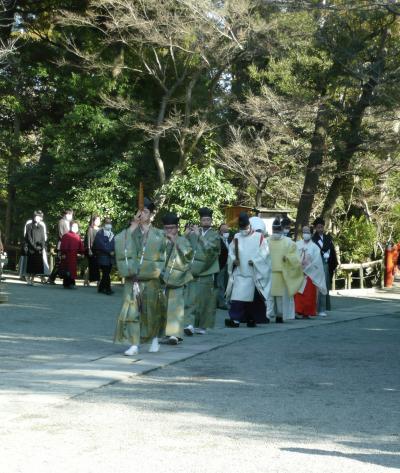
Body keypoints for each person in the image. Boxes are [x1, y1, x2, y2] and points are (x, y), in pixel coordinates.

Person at [115, 198, 166, 355]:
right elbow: (118, 243)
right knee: (131, 311)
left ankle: (155, 339)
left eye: (145, 211)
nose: (142, 214)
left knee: (151, 312)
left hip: (151, 280)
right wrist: (133, 226)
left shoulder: (158, 234)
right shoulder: (130, 232)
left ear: (151, 214)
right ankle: (134, 344)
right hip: (133, 279)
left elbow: (161, 256)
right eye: (140, 211)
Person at [225, 212, 271, 328]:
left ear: (249, 225)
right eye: (241, 228)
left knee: (251, 299)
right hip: (240, 271)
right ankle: (235, 319)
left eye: (245, 227)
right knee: (237, 297)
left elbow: (265, 253)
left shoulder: (259, 237)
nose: (243, 230)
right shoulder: (237, 236)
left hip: (252, 272)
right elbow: (231, 251)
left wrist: (255, 261)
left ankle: (251, 319)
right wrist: (233, 259)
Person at [184, 207, 220, 336]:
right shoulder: (194, 233)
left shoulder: (215, 235)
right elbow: (185, 247)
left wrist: (200, 237)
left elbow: (213, 250)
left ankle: (202, 326)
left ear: (211, 221)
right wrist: (186, 235)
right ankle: (190, 324)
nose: (206, 222)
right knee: (190, 298)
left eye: (208, 220)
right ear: (200, 220)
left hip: (207, 271)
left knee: (204, 300)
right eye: (203, 220)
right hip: (192, 270)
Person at [160, 212, 193, 345]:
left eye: (172, 228)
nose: (169, 231)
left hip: (178, 277)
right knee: (162, 308)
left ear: (177, 228)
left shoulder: (183, 240)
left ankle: (175, 335)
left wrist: (175, 242)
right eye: (167, 228)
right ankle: (163, 333)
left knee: (175, 306)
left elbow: (189, 255)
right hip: (161, 278)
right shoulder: (160, 240)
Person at [266, 218, 304, 323]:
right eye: (274, 230)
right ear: (272, 230)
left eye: (278, 230)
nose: (276, 232)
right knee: (269, 296)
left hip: (282, 273)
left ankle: (280, 315)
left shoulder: (288, 242)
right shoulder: (266, 241)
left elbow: (296, 256)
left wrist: (288, 257)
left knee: (280, 297)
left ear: (281, 230)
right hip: (269, 272)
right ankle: (268, 315)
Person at [295, 226, 327, 319]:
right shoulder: (297, 244)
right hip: (298, 272)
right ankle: (297, 311)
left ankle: (307, 312)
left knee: (309, 294)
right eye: (304, 232)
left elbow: (317, 261)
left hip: (310, 274)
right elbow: (293, 256)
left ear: (311, 234)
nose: (305, 234)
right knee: (298, 293)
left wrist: (308, 268)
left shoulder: (315, 247)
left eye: (307, 232)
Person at [312, 217, 338, 316]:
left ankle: (323, 308)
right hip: (316, 265)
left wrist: (330, 256)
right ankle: (315, 308)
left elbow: (332, 250)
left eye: (322, 227)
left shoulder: (328, 238)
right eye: (318, 227)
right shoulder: (313, 239)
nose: (320, 229)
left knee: (325, 286)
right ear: (315, 228)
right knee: (317, 286)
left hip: (326, 264)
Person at [48, 209, 74, 284]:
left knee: (64, 262)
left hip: (68, 245)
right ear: (66, 214)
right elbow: (61, 234)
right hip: (62, 245)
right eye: (69, 215)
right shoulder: (61, 222)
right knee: (59, 262)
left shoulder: (70, 223)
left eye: (71, 215)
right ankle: (51, 278)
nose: (71, 216)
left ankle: (58, 278)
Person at [59, 221, 85, 289]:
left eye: (76, 226)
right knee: (67, 269)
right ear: (70, 227)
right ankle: (66, 284)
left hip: (74, 256)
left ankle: (71, 283)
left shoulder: (77, 236)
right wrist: (63, 253)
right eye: (73, 226)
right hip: (67, 256)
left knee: (72, 270)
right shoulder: (66, 235)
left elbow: (80, 246)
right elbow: (63, 246)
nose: (75, 228)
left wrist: (82, 253)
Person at [93, 218, 115, 295]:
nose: (109, 224)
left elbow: (114, 244)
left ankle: (101, 288)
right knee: (106, 273)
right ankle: (107, 288)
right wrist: (109, 251)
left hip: (110, 257)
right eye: (107, 223)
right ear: (104, 224)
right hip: (103, 256)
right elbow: (101, 245)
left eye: (110, 223)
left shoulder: (112, 234)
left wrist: (114, 251)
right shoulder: (100, 233)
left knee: (107, 272)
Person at [24, 211, 46, 285]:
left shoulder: (41, 227)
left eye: (39, 217)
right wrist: (34, 246)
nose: (38, 218)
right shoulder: (29, 225)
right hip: (31, 249)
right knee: (31, 264)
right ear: (34, 217)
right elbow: (28, 237)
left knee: (37, 265)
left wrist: (42, 246)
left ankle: (32, 279)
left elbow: (43, 238)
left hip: (39, 249)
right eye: (36, 216)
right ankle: (28, 277)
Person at [217, 222, 231, 309]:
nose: (225, 232)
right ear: (220, 231)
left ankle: (227, 301)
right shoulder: (217, 240)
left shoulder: (230, 240)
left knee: (227, 284)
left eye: (226, 230)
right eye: (223, 230)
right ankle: (221, 303)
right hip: (221, 265)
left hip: (229, 265)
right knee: (220, 284)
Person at [84, 215, 101, 286]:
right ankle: (88, 280)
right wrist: (89, 249)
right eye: (97, 220)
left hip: (98, 250)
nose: (98, 221)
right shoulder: (90, 229)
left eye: (99, 220)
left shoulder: (100, 230)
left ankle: (97, 280)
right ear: (93, 221)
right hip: (91, 250)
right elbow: (88, 240)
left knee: (98, 266)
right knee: (91, 265)